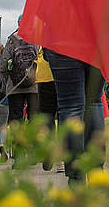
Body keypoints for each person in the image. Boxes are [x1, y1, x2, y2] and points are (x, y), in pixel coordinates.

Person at [43, 47, 105, 182]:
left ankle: (76, 180)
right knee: (94, 102)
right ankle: (97, 176)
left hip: (60, 41)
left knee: (71, 107)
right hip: (96, 39)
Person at [2, 18, 39, 126]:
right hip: (33, 85)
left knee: (15, 118)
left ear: (18, 23)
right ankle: (33, 142)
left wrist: (8, 78)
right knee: (34, 118)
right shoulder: (35, 38)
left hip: (15, 86)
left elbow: (3, 64)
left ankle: (16, 142)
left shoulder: (11, 39)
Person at [35, 46, 62, 171]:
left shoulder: (42, 29)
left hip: (44, 75)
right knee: (63, 116)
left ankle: (49, 149)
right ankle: (61, 159)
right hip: (61, 73)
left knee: (47, 118)